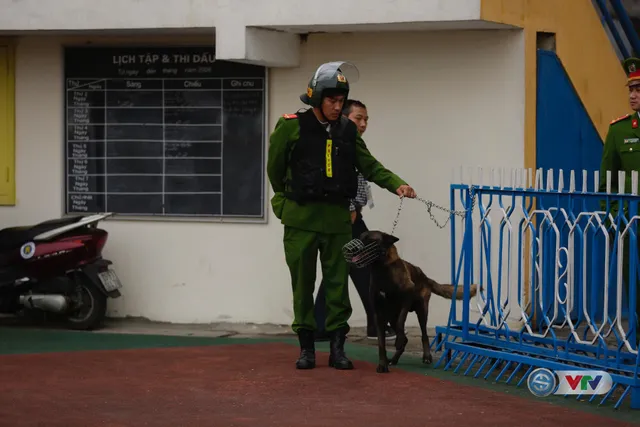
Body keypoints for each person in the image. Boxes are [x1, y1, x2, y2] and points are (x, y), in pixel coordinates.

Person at [267, 61, 416, 370]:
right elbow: (275, 170)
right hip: (301, 220)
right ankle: (307, 348)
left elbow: (369, 165)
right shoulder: (290, 125)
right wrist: (283, 203)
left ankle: (338, 348)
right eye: (332, 100)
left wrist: (396, 184)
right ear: (316, 97)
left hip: (337, 220)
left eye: (341, 101)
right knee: (303, 284)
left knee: (338, 285)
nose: (338, 107)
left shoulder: (347, 130)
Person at [313, 99, 397, 342]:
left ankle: (322, 325)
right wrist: (350, 208)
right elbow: (335, 177)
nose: (363, 124)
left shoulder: (354, 143)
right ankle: (374, 324)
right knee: (362, 265)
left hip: (352, 215)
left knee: (346, 267)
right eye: (358, 118)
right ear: (343, 119)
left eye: (366, 120)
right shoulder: (337, 141)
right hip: (342, 216)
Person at [598, 56, 640, 344]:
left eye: (638, 89)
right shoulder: (620, 131)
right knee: (635, 290)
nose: (633, 95)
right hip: (632, 226)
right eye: (631, 89)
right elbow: (606, 183)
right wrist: (613, 219)